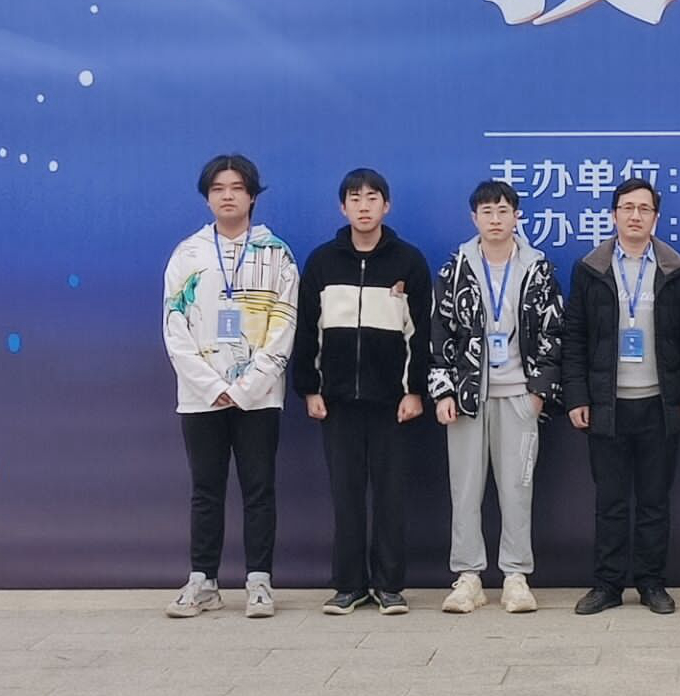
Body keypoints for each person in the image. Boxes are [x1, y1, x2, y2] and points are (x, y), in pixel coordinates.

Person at [562, 178, 680, 615]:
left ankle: (651, 583)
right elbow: (574, 337)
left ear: (655, 218)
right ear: (613, 215)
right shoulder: (590, 268)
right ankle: (607, 585)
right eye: (627, 207)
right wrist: (577, 396)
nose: (635, 216)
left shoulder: (676, 268)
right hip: (606, 404)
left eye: (644, 209)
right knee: (609, 501)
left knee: (654, 501)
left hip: (659, 403)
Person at [161, 154, 298, 618]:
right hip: (201, 398)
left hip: (259, 396)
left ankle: (259, 581)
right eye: (218, 188)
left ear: (252, 196)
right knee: (206, 490)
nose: (227, 196)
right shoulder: (187, 254)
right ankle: (203, 581)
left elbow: (284, 324)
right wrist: (211, 386)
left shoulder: (277, 254)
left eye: (237, 188)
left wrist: (246, 387)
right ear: (207, 197)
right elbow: (174, 327)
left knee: (259, 489)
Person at [290, 168, 432, 616]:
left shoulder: (408, 261)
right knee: (346, 496)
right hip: (337, 402)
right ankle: (348, 585)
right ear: (343, 207)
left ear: (386, 206)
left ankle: (389, 586)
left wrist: (414, 390)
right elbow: (307, 330)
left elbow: (421, 333)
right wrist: (309, 388)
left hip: (393, 403)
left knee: (390, 496)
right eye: (355, 198)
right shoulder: (322, 262)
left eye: (372, 198)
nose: (364, 206)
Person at [429, 179, 564, 615]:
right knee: (465, 488)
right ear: (474, 218)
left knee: (517, 488)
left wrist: (539, 393)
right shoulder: (456, 267)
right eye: (486, 211)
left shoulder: (537, 267)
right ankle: (468, 576)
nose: (495, 219)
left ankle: (515, 576)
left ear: (516, 216)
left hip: (520, 396)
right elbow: (440, 332)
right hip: (468, 398)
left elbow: (553, 333)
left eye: (503, 211)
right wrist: (443, 390)